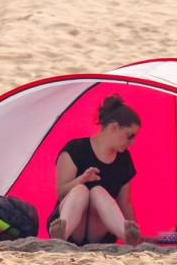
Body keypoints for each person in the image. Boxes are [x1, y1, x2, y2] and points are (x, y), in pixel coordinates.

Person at [47, 94, 142, 246]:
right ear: (114, 127)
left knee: (98, 191)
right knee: (81, 191)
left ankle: (127, 236)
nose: (132, 143)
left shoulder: (124, 159)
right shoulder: (75, 149)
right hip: (71, 227)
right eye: (130, 136)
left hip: (99, 232)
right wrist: (82, 180)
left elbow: (125, 203)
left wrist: (137, 233)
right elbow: (61, 192)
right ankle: (61, 235)